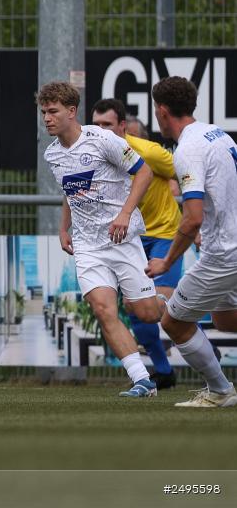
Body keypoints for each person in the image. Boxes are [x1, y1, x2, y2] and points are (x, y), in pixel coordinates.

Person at [39, 81, 165, 398]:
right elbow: (71, 191)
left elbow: (145, 172)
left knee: (146, 312)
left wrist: (124, 214)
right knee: (102, 308)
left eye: (52, 112)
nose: (47, 118)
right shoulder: (52, 154)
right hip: (88, 245)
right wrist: (64, 227)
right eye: (43, 112)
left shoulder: (103, 139)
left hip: (122, 239)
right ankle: (142, 380)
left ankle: (178, 306)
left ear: (71, 111)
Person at [146, 76, 237, 408]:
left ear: (162, 110)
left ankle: (220, 391)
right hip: (229, 245)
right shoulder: (216, 133)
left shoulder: (187, 149)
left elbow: (193, 216)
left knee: (173, 320)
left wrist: (167, 262)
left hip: (224, 254)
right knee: (225, 319)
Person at [91, 98, 182, 389]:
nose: (102, 130)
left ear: (122, 126)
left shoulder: (148, 151)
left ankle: (195, 325)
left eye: (107, 125)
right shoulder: (92, 154)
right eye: (97, 125)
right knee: (134, 308)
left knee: (157, 309)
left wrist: (175, 186)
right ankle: (164, 372)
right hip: (131, 239)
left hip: (165, 234)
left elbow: (184, 173)